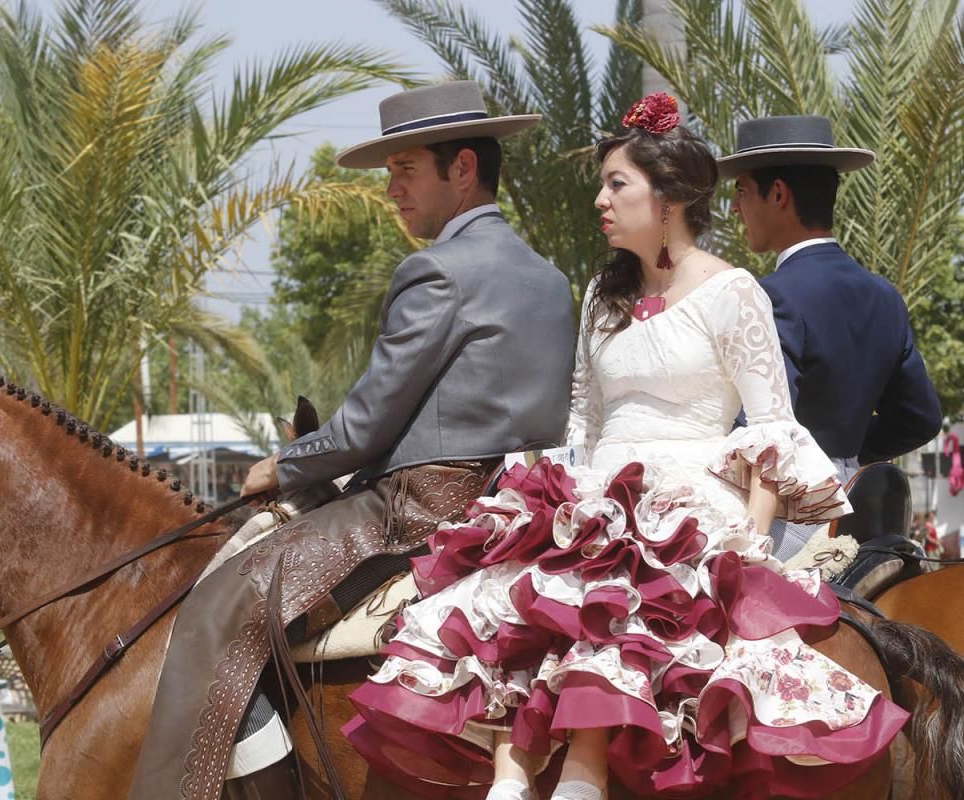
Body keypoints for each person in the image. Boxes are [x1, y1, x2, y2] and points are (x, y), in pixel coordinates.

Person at [344, 94, 908, 800]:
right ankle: (513, 772)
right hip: (597, 487)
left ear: (668, 196)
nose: (600, 201)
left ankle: (583, 772)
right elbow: (582, 422)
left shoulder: (735, 291)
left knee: (623, 593)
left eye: (617, 184)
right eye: (602, 185)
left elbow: (770, 431)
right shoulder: (601, 297)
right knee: (510, 597)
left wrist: (752, 545)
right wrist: (557, 499)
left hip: (691, 491)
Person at [129, 80, 576, 800]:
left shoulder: (437, 271)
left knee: (212, 612)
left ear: (462, 168)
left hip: (418, 509)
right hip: (522, 502)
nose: (391, 189)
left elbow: (367, 426)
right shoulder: (551, 278)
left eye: (405, 170)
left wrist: (281, 464)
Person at [720, 115, 941, 561]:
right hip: (859, 509)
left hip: (789, 519)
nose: (736, 208)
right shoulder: (884, 296)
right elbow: (920, 417)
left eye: (741, 191)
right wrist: (850, 452)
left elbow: (761, 430)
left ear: (778, 194)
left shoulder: (771, 295)